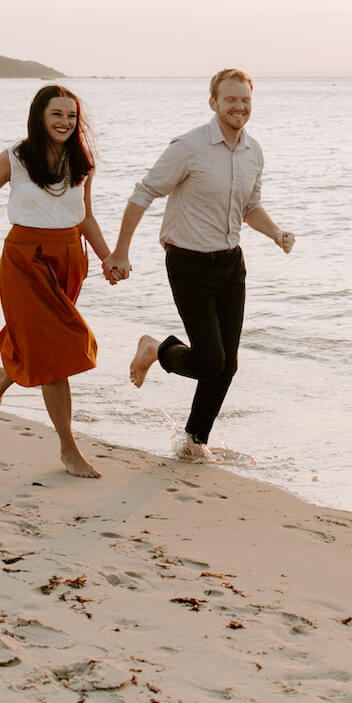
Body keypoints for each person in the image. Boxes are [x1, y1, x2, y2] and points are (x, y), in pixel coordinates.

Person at [102, 69, 295, 461]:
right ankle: (156, 350)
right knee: (210, 362)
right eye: (230, 99)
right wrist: (121, 252)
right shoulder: (189, 147)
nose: (239, 107)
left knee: (227, 366)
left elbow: (250, 207)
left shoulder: (253, 152)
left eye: (245, 100)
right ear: (213, 102)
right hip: (188, 263)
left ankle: (194, 442)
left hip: (231, 264)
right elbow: (144, 193)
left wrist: (275, 233)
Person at [0, 85, 112, 478]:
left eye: (71, 115)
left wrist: (108, 258)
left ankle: (7, 372)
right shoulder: (14, 158)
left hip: (68, 257)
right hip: (23, 259)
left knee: (44, 341)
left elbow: (85, 217)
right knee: (60, 349)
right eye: (57, 114)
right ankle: (68, 449)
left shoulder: (82, 161)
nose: (65, 122)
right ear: (39, 116)